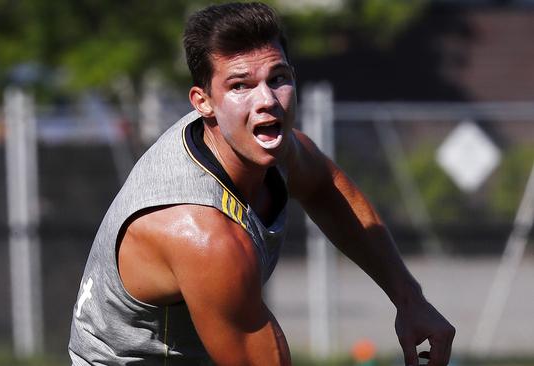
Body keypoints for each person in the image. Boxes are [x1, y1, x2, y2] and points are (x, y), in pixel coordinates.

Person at [68, 2, 455, 365]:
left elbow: (326, 187)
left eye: (278, 78)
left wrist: (409, 299)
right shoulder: (201, 233)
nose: (267, 99)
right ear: (203, 102)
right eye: (240, 86)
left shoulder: (270, 148)